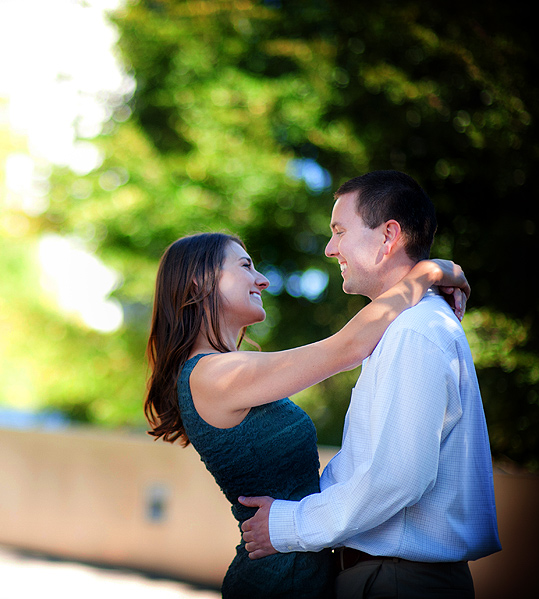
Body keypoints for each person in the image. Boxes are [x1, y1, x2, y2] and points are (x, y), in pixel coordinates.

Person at [145, 228, 469, 599]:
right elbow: (346, 349)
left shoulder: (219, 372)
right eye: (246, 266)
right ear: (199, 281)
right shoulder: (213, 375)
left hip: (298, 572)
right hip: (279, 580)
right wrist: (428, 273)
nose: (262, 280)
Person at [239, 170, 501, 599]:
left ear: (388, 236)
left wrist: (289, 525)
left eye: (339, 231)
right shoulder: (404, 326)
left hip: (396, 581)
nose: (329, 248)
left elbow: (398, 477)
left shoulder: (414, 330)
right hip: (389, 576)